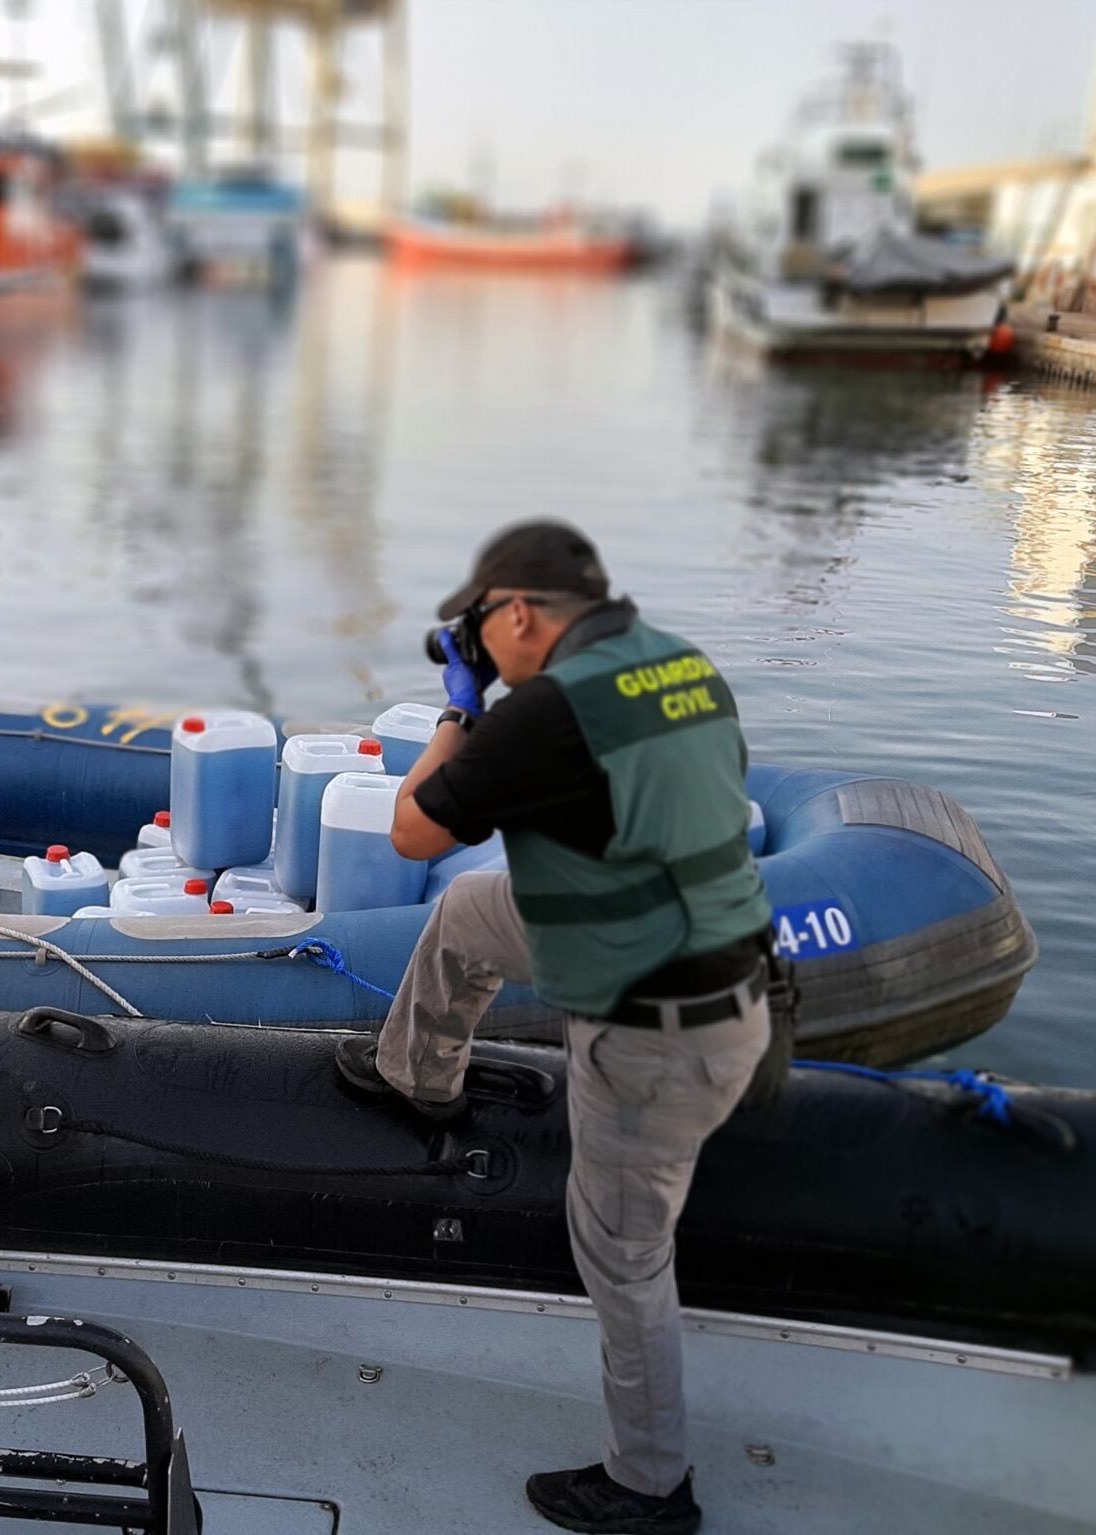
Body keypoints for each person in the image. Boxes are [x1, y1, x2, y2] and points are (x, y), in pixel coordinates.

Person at [334, 520, 772, 1535]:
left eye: (479, 626)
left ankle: (648, 1484)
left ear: (517, 611)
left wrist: (460, 710)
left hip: (656, 1026)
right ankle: (418, 1072)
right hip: (710, 956)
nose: (478, 644)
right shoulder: (677, 662)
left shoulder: (543, 712)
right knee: (468, 912)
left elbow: (410, 829)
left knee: (622, 1251)